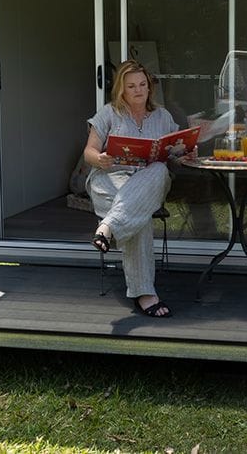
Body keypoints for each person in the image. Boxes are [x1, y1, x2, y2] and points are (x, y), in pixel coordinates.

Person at [83, 60, 184, 318]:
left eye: (143, 85)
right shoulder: (108, 113)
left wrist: (182, 151)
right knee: (139, 214)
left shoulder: (163, 116)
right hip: (109, 181)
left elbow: (175, 152)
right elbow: (89, 152)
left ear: (149, 87)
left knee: (160, 170)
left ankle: (108, 228)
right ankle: (146, 295)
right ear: (122, 90)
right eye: (131, 86)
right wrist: (101, 158)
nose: (139, 90)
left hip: (148, 182)